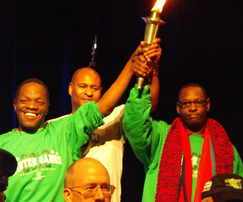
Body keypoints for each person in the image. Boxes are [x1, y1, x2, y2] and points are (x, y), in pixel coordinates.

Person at [0, 63, 146, 202]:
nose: (32, 106)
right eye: (25, 101)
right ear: (15, 105)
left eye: (39, 102)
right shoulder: (3, 143)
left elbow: (103, 107)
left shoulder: (63, 130)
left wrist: (131, 65)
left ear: (47, 108)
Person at [51, 39, 161, 202]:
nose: (89, 92)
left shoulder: (115, 117)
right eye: (83, 86)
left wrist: (154, 70)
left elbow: (148, 105)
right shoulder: (57, 126)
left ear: (101, 91)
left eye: (94, 88)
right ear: (70, 88)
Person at [123, 81, 243, 202]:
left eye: (198, 102)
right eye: (186, 103)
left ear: (207, 104)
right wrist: (141, 87)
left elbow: (240, 190)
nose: (192, 108)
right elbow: (135, 123)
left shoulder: (224, 146)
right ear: (178, 107)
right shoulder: (162, 136)